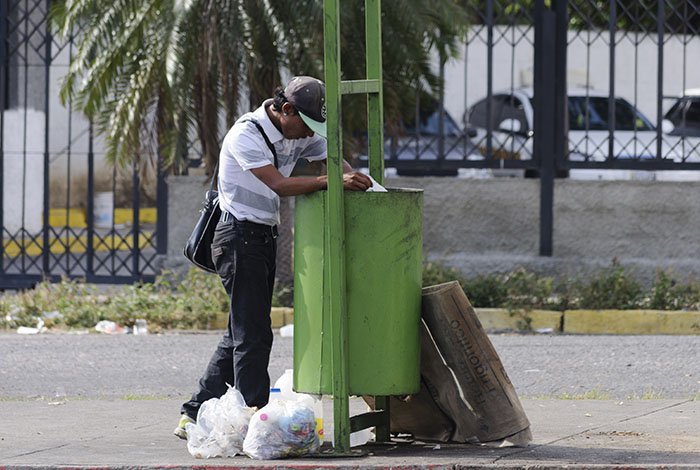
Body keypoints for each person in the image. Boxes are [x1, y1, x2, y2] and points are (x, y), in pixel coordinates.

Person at [174, 76, 372, 438]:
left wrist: (360, 183)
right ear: (285, 110)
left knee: (241, 329)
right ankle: (256, 422)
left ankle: (192, 412)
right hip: (237, 238)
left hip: (262, 237)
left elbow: (333, 159)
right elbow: (279, 185)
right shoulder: (245, 135)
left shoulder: (300, 130)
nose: (308, 134)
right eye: (305, 124)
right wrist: (330, 181)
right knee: (254, 334)